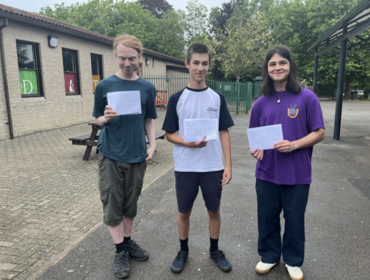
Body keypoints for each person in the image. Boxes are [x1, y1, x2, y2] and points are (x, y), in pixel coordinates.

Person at [249, 45, 325, 280]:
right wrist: (256, 150)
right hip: (267, 173)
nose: (277, 67)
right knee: (266, 217)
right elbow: (254, 136)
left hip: (297, 173)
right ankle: (270, 256)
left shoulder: (307, 97)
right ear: (267, 69)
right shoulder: (260, 102)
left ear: (290, 66)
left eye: (282, 62)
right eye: (272, 64)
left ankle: (293, 260)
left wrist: (293, 144)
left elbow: (319, 132)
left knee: (294, 219)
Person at [162, 43, 234, 273]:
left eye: (204, 63)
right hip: (186, 166)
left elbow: (224, 131)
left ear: (209, 66)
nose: (200, 68)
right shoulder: (177, 99)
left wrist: (228, 165)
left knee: (214, 211)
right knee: (184, 212)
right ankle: (183, 250)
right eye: (196, 63)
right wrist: (187, 143)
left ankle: (214, 250)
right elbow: (169, 134)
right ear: (187, 64)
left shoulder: (217, 98)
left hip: (212, 166)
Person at [92, 34, 157, 279]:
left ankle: (127, 242)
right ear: (115, 56)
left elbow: (149, 119)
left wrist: (152, 146)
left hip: (137, 154)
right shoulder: (104, 86)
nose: (127, 63)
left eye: (132, 58)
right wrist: (105, 118)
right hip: (110, 153)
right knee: (112, 203)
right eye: (122, 58)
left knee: (130, 203)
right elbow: (97, 118)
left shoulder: (147, 88)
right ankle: (120, 250)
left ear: (140, 57)